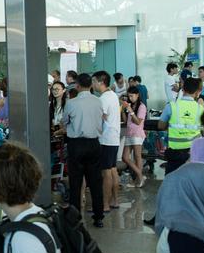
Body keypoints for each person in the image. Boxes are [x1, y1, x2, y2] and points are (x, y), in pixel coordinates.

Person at [63, 73, 106, 224]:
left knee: (75, 182)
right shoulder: (98, 101)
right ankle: (98, 216)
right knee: (95, 182)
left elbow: (65, 121)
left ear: (77, 85)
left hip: (76, 145)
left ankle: (75, 217)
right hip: (94, 143)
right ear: (91, 85)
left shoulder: (71, 103)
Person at [157, 77, 203, 175]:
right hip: (193, 152)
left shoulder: (171, 106)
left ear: (183, 89)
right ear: (197, 92)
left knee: (172, 182)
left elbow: (160, 125)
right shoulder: (200, 109)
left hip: (174, 152)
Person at [92, 72, 121, 213]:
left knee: (106, 172)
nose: (93, 84)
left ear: (101, 82)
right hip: (113, 138)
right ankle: (115, 200)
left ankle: (105, 204)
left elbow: (101, 117)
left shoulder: (104, 98)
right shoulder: (113, 95)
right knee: (113, 169)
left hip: (106, 138)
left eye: (94, 81)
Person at [122, 85, 147, 189]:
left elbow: (138, 122)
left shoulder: (142, 106)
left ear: (137, 95)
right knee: (125, 157)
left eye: (132, 96)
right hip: (129, 133)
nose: (130, 98)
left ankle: (138, 179)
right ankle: (140, 176)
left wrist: (131, 111)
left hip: (137, 133)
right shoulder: (131, 105)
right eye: (129, 96)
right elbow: (125, 120)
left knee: (137, 157)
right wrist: (124, 110)